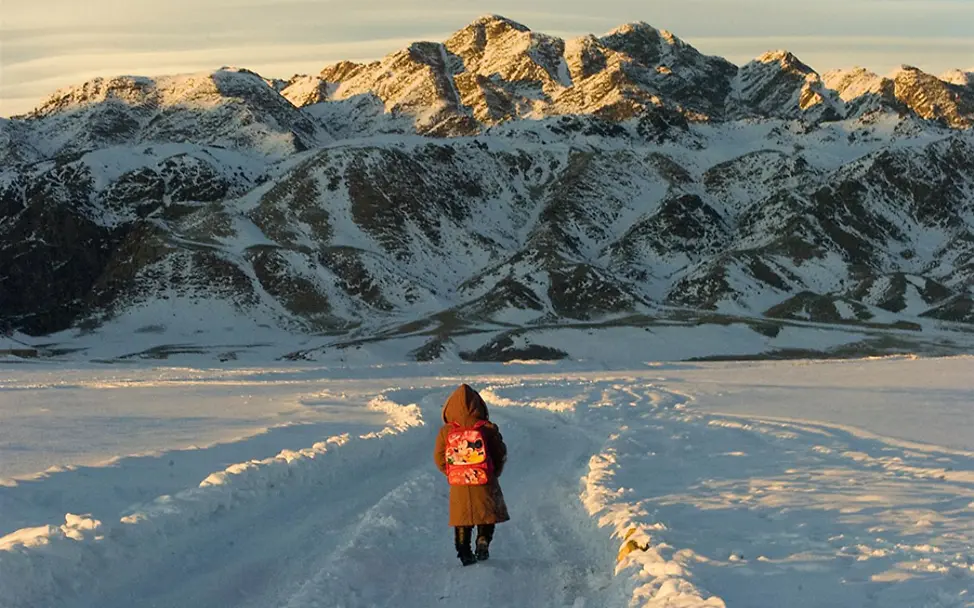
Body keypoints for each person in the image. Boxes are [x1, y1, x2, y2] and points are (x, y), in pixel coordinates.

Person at [434, 384, 510, 566]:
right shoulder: (487, 427)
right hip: (484, 478)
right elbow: (500, 453)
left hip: (459, 482)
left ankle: (464, 551)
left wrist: (453, 472)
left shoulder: (447, 431)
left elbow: (439, 458)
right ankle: (483, 540)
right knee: (487, 513)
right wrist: (494, 472)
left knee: (462, 517)